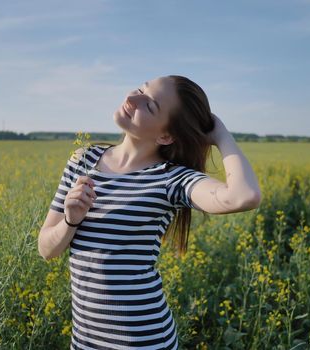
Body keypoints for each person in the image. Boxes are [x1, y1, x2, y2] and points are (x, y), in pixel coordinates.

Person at [39, 75, 261, 349]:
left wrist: (220, 135)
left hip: (143, 341)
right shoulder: (82, 160)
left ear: (165, 135)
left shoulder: (171, 180)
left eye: (150, 105)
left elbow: (245, 196)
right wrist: (70, 220)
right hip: (85, 342)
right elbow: (46, 249)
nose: (133, 99)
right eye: (141, 89)